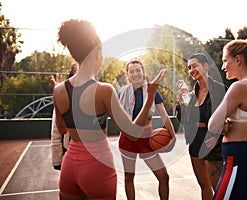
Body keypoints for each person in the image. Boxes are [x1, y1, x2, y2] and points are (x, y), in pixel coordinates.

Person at [53, 19, 167, 200]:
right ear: (97, 54)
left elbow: (62, 129)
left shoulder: (59, 90)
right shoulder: (104, 90)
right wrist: (150, 95)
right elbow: (132, 133)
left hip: (70, 166)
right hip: (96, 164)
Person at [208, 37, 247, 200]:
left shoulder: (239, 86)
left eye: (225, 61)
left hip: (236, 159)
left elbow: (212, 124)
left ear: (238, 60)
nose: (223, 66)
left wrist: (221, 124)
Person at [118, 58, 176, 200]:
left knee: (163, 177)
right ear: (128, 75)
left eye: (138, 70)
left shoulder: (152, 90)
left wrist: (173, 136)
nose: (135, 74)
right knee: (128, 178)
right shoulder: (123, 93)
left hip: (146, 139)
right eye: (131, 71)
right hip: (127, 139)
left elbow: (164, 115)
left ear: (143, 72)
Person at [176, 53, 226, 200]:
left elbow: (228, 118)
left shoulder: (219, 90)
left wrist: (217, 138)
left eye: (195, 66)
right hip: (195, 141)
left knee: (218, 188)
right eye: (189, 67)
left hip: (212, 143)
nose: (191, 70)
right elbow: (185, 121)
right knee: (204, 186)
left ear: (206, 66)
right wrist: (180, 103)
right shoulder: (192, 95)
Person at [51, 64, 78, 170]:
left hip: (88, 154)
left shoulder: (94, 97)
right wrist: (57, 160)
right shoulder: (62, 100)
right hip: (69, 152)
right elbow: (56, 132)